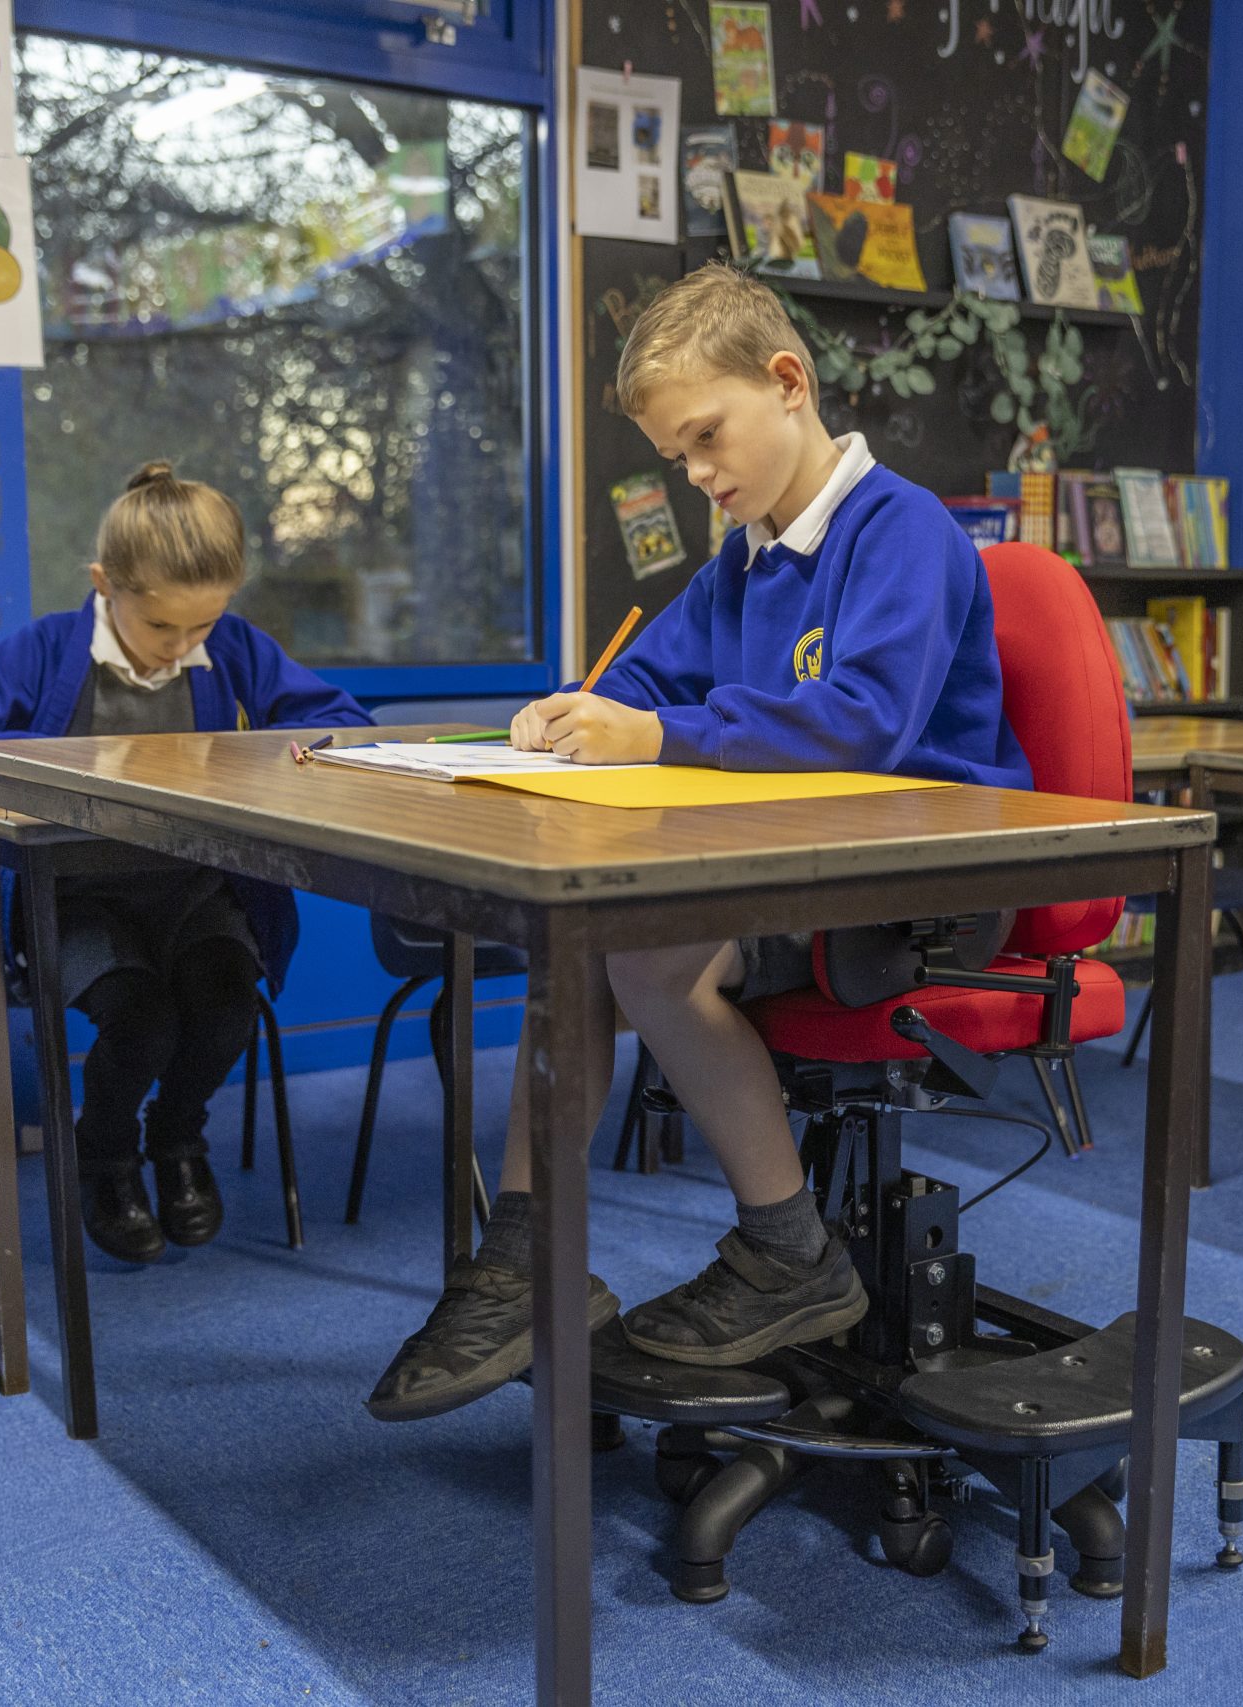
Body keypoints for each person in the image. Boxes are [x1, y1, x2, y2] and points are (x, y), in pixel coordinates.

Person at [368, 264, 1032, 1421]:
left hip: (921, 878)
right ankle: (525, 1262)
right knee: (572, 947)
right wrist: (582, 707)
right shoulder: (748, 556)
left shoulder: (902, 531)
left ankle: (789, 1253)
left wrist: (658, 731)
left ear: (787, 383)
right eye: (678, 459)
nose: (699, 477)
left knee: (646, 955)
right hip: (796, 861)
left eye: (706, 439)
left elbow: (863, 720)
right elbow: (647, 674)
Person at [0, 462, 367, 1262]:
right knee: (143, 1023)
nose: (179, 648)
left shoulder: (239, 650)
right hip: (79, 900)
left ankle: (178, 1140)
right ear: (104, 584)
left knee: (225, 1006)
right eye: (160, 629)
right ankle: (105, 1157)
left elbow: (341, 723)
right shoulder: (44, 650)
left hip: (195, 890)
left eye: (201, 628)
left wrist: (263, 757)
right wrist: (74, 757)